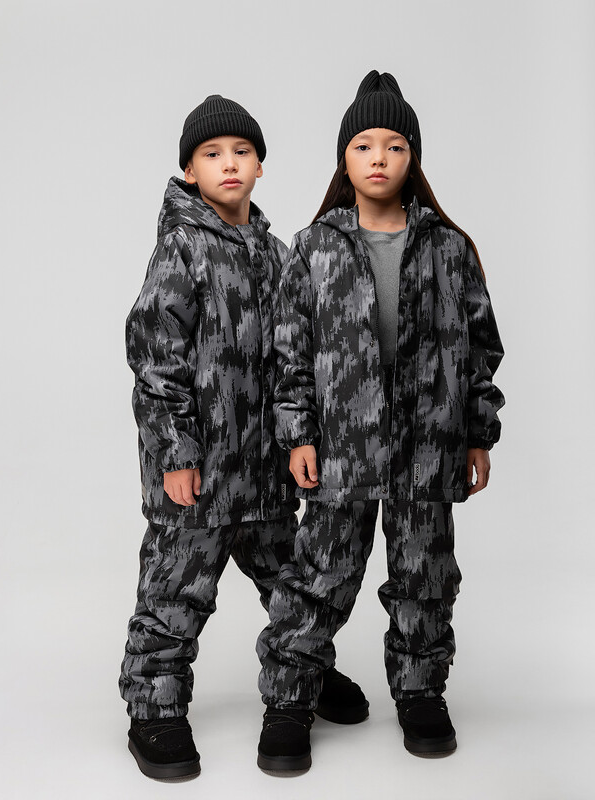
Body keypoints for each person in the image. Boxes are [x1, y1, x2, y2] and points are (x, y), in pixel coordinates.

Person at [256, 70, 505, 772]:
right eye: (363, 144)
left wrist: (477, 434)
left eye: (395, 145)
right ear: (344, 158)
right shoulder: (314, 248)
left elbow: (480, 348)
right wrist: (298, 435)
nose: (379, 158)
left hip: (429, 442)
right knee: (320, 575)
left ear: (412, 158)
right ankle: (289, 700)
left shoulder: (449, 248)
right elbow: (289, 353)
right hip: (342, 444)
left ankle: (421, 691)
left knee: (426, 573)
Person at [119, 94, 368, 781]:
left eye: (241, 152)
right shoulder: (182, 247)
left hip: (266, 475)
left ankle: (302, 669)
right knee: (175, 595)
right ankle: (154, 708)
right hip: (198, 479)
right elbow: (156, 357)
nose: (228, 164)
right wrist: (176, 453)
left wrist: (301, 439)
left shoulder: (278, 254)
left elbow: (297, 358)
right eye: (212, 154)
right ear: (190, 171)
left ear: (260, 165)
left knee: (296, 585)